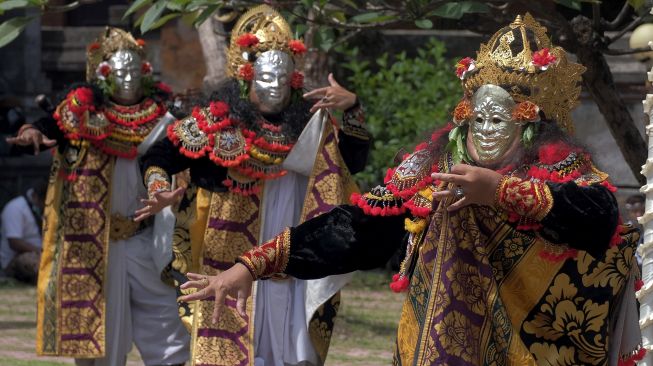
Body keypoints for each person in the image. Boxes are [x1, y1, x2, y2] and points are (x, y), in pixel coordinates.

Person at [182, 14, 644, 365]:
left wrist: (501, 190)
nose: (485, 130)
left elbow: (598, 216)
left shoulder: (560, 166)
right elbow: (358, 229)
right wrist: (251, 266)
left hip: (529, 350)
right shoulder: (431, 165)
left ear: (531, 124)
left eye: (501, 119)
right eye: (478, 117)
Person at [136, 5, 370, 366]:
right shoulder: (216, 120)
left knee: (293, 355)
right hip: (227, 261)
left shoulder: (310, 126)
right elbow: (161, 156)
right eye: (266, 78)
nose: (274, 87)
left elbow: (350, 164)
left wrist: (353, 107)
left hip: (290, 261)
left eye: (282, 79)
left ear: (294, 79)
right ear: (245, 76)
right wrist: (157, 189)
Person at [6, 27, 189, 366]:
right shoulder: (82, 114)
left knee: (169, 331)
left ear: (146, 73)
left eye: (135, 70)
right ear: (104, 75)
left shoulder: (162, 119)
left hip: (143, 240)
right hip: (93, 246)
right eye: (120, 71)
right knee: (97, 342)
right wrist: (32, 131)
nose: (128, 78)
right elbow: (51, 126)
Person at [0, 181, 47, 283]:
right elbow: (14, 242)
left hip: (39, 254)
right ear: (35, 196)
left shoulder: (41, 211)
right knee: (31, 262)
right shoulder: (15, 208)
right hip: (15, 259)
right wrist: (41, 252)